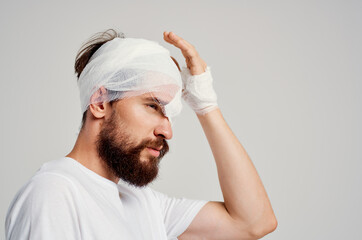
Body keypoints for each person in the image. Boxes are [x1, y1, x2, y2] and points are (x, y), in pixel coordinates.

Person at [5, 29, 277, 240]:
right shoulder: (54, 193)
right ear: (100, 102)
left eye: (169, 114)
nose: (167, 130)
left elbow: (254, 223)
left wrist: (206, 105)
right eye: (153, 106)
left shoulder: (145, 204)